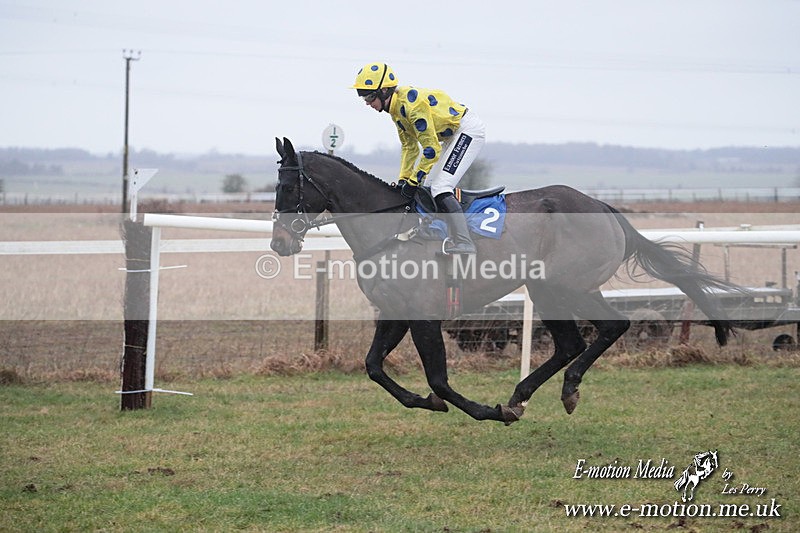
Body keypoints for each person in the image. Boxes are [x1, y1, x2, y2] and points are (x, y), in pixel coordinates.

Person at [351, 62, 485, 254]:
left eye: (370, 96)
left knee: (440, 187)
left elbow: (430, 150)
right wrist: (404, 180)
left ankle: (465, 241)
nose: (367, 103)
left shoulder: (411, 106)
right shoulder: (395, 110)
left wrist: (413, 181)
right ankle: (440, 232)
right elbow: (409, 147)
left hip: (467, 130)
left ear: (385, 91)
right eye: (364, 97)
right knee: (427, 187)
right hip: (449, 135)